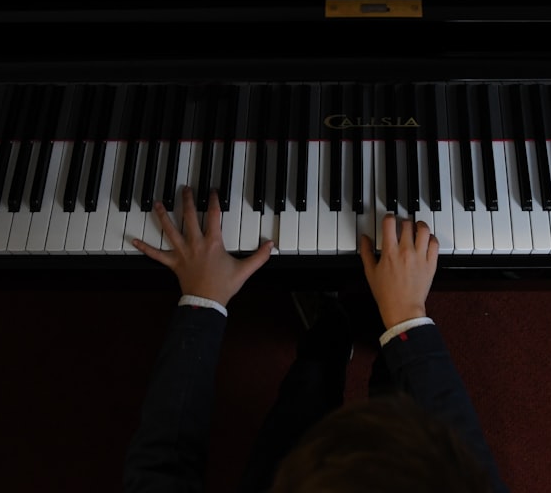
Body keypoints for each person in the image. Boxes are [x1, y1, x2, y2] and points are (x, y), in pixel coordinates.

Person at [123, 186, 509, 493]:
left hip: (288, 466)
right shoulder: (453, 472)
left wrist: (202, 300)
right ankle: (378, 329)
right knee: (400, 390)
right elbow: (462, 454)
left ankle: (331, 333)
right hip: (380, 453)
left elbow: (162, 465)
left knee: (305, 397)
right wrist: (406, 314)